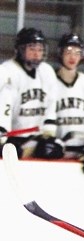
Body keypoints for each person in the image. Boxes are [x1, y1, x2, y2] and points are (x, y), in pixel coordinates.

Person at [0, 27, 61, 159]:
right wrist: (3, 137)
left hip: (36, 139)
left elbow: (51, 105)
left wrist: (48, 136)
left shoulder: (47, 71)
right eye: (32, 49)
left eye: (40, 49)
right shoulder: (6, 71)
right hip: (11, 140)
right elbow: (3, 107)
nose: (36, 54)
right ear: (20, 50)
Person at [51, 33, 84, 175]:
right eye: (68, 52)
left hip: (83, 153)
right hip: (57, 152)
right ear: (60, 53)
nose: (72, 57)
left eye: (77, 53)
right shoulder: (50, 83)